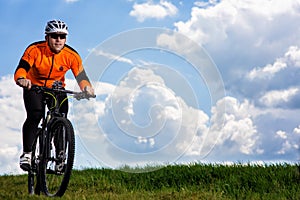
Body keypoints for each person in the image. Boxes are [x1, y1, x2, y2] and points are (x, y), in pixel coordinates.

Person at [14, 19, 95, 171]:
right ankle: (27, 153)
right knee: (35, 115)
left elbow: (81, 76)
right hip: (34, 86)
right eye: (54, 36)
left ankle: (60, 157)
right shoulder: (34, 50)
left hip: (56, 89)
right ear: (47, 38)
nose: (58, 40)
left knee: (61, 118)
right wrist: (21, 79)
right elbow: (22, 68)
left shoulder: (71, 55)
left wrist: (87, 88)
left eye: (62, 36)